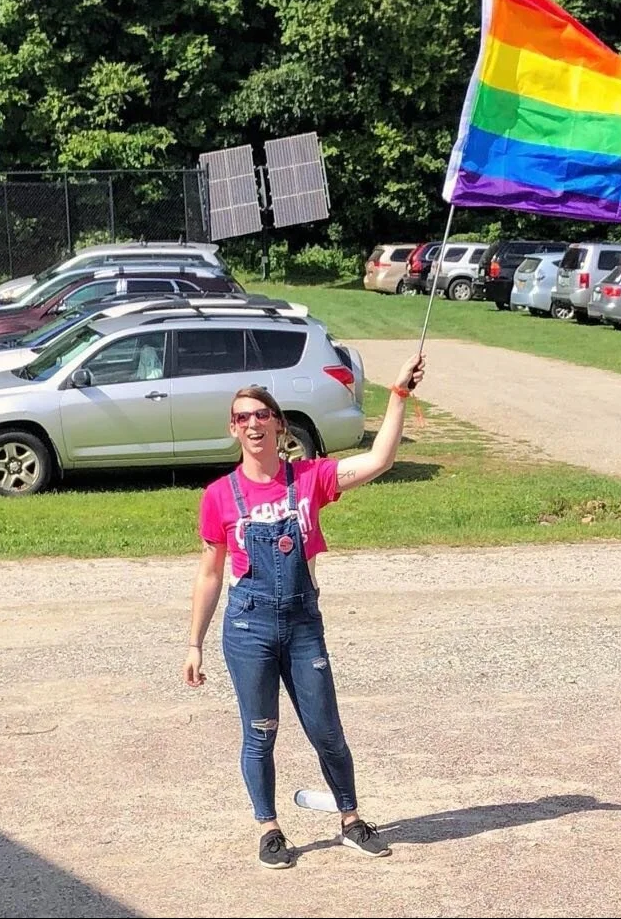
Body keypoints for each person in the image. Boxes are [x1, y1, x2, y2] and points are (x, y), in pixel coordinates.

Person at [183, 352, 426, 869]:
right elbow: (209, 574)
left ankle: (351, 820)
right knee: (260, 731)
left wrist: (398, 395)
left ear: (278, 424)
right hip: (247, 627)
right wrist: (194, 643)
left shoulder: (312, 479)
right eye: (242, 416)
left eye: (260, 414)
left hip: (301, 626)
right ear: (233, 429)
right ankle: (270, 829)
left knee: (326, 729)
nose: (252, 423)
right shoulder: (218, 496)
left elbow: (380, 459)